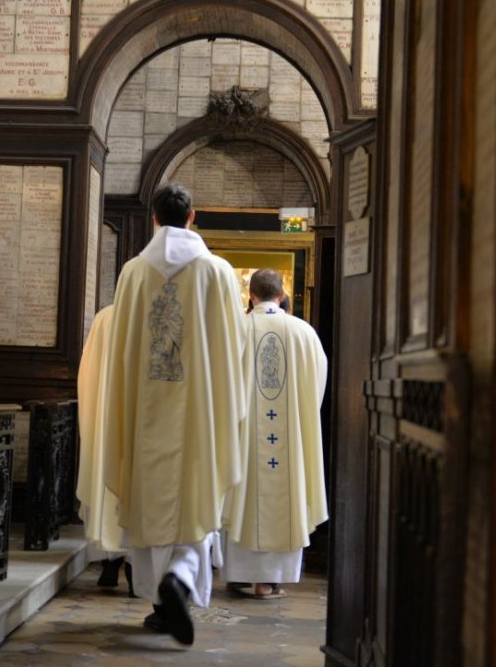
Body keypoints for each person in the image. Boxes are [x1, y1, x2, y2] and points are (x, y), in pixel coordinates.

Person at [101, 183, 248, 645]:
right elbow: (234, 346)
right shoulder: (218, 272)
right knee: (196, 499)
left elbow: (121, 351)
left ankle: (162, 605)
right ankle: (181, 580)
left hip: (144, 413)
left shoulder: (133, 273)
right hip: (200, 413)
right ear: (193, 216)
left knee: (148, 503)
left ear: (154, 219)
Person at [223, 269, 328, 599]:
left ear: (250, 295)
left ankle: (238, 574)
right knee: (288, 496)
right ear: (281, 295)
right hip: (289, 438)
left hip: (243, 435)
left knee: (241, 495)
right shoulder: (303, 333)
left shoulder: (236, 330)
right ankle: (268, 581)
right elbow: (317, 385)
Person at [75, 303, 133, 595]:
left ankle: (111, 563)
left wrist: (92, 415)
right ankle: (135, 569)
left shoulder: (104, 317)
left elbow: (88, 372)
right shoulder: (153, 312)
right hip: (138, 422)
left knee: (107, 485)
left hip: (106, 420)